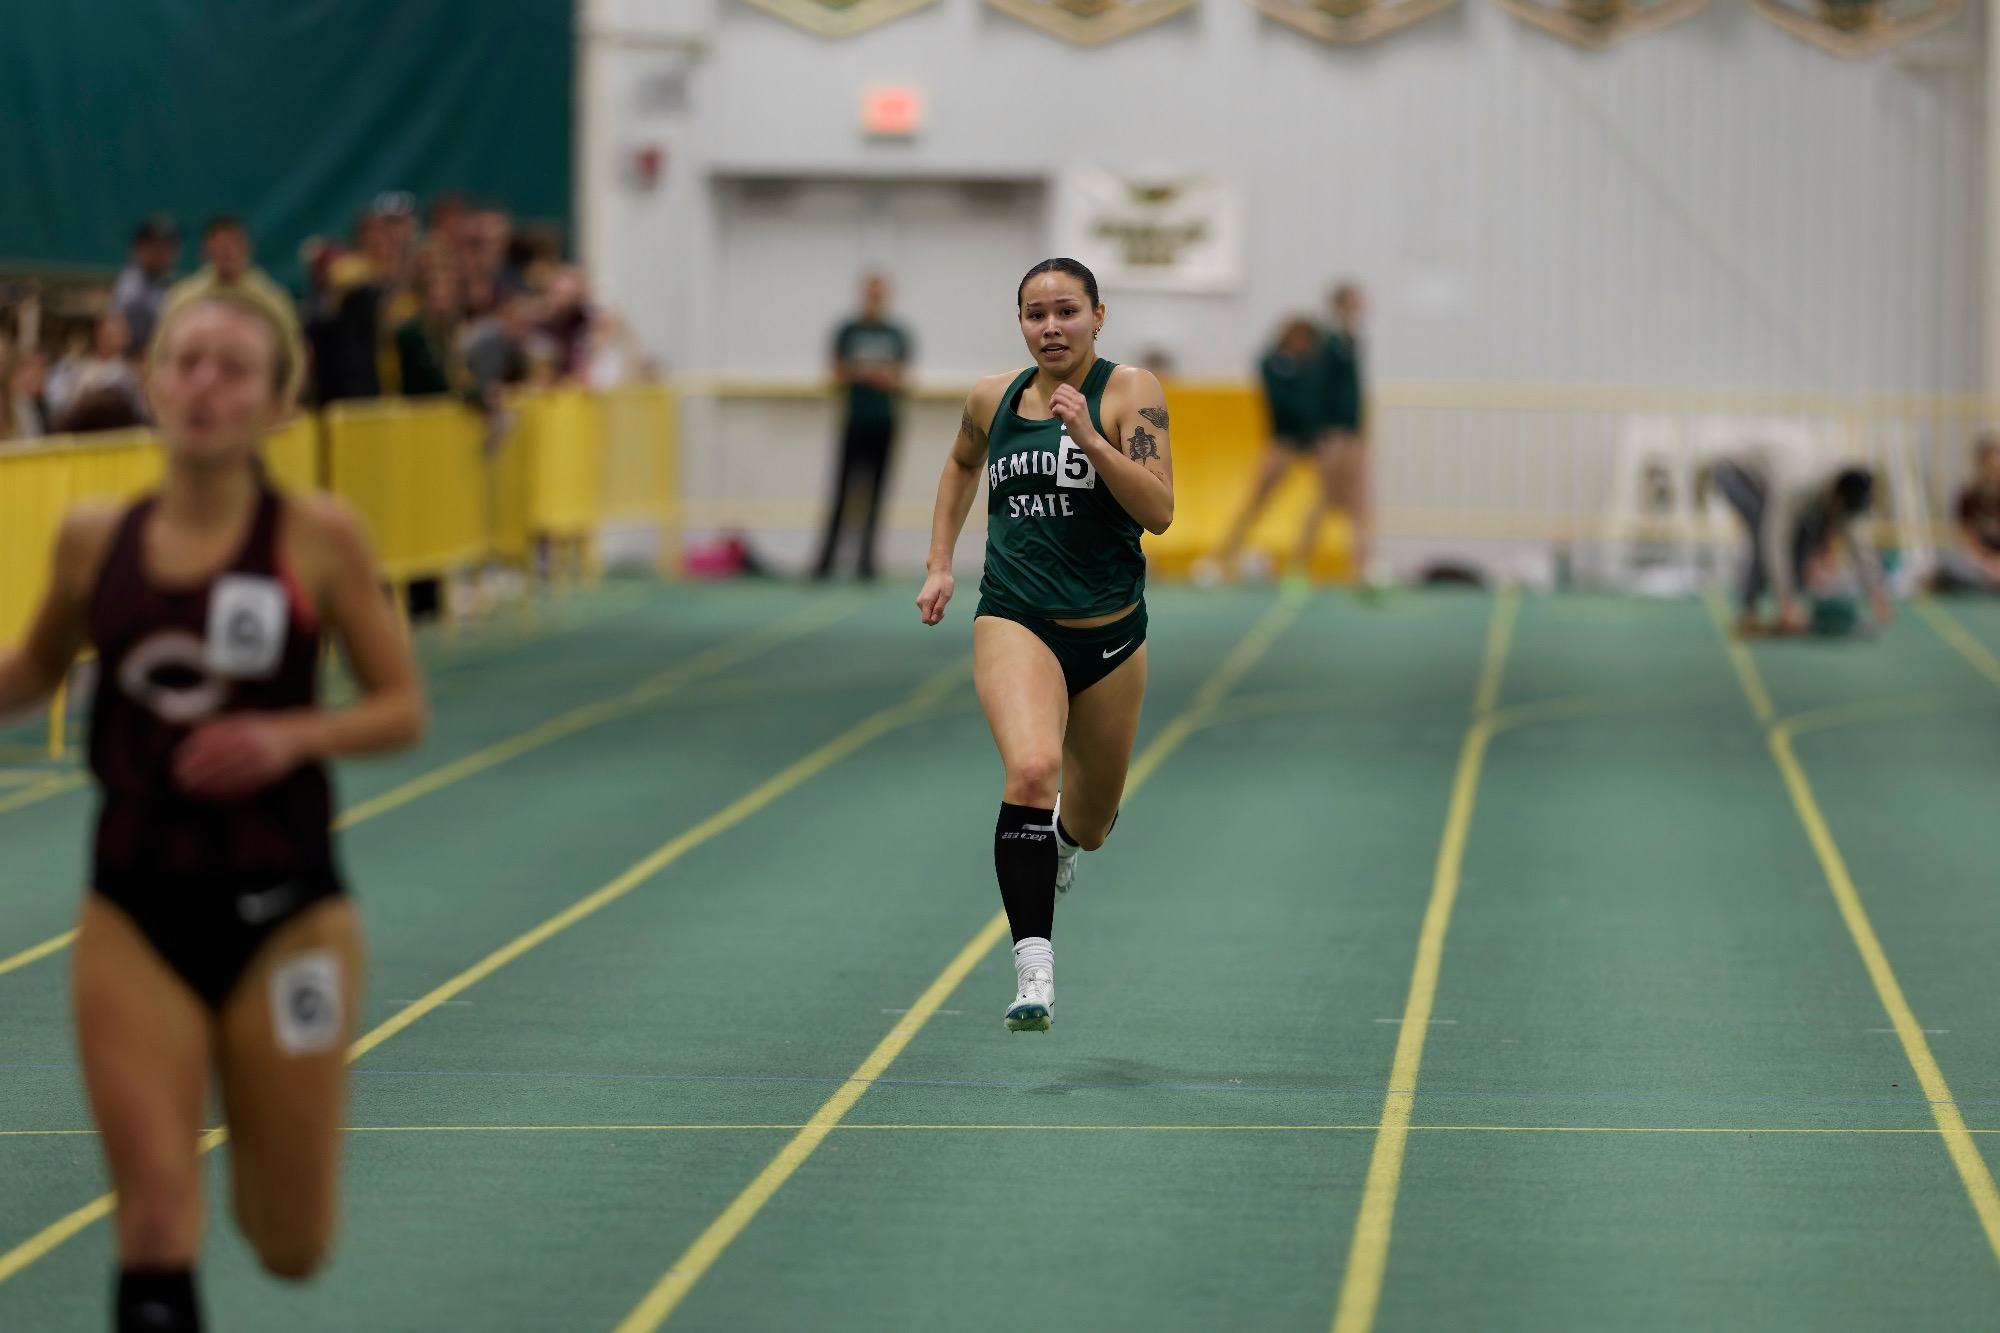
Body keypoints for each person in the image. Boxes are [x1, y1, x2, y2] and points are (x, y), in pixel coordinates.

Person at [0, 287, 425, 1333]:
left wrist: (290, 736)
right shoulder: (93, 538)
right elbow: (30, 671)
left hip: (289, 919)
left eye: (233, 369)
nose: (203, 384)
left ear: (278, 404)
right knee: (151, 1213)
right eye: (186, 360)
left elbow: (399, 706)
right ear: (153, 381)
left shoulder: (318, 536)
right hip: (134, 912)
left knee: (289, 1242)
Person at [916, 258, 1174, 1032]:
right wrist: (938, 565)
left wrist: (1090, 438)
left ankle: (1062, 839)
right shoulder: (990, 398)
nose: (1051, 327)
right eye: (1035, 314)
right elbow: (961, 463)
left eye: (1066, 311)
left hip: (1111, 636)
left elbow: (1158, 510)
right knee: (1032, 768)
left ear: (1100, 316)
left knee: (1092, 823)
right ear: (1020, 323)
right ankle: (1034, 965)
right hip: (1015, 618)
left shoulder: (1132, 393)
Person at [1709, 438, 1891, 634]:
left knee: (1804, 533)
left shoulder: (1844, 491)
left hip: (1771, 477)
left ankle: (1791, 607)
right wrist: (1786, 598)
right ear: (1835, 496)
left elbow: (1857, 539)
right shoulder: (1798, 487)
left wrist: (1876, 591)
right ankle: (1748, 611)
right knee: (1762, 525)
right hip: (1734, 473)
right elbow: (1775, 542)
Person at [1201, 317, 1325, 581]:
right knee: (1256, 501)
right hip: (1283, 442)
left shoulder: (1311, 367)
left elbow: (1315, 402)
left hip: (1311, 442)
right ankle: (1222, 557)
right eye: (1299, 337)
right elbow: (1287, 404)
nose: (1303, 344)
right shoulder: (1274, 363)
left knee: (1322, 500)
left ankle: (1300, 562)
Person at [815, 274, 912, 580]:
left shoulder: (897, 333)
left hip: (885, 423)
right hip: (854, 420)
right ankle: (825, 563)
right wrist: (871, 373)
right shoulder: (848, 330)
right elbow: (837, 371)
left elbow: (899, 378)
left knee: (877, 494)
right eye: (870, 292)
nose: (874, 297)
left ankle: (866, 564)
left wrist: (867, 372)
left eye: (879, 292)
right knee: (841, 492)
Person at [1299, 281, 1378, 592]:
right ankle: (1299, 565)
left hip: (1352, 433)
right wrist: (1320, 435)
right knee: (1325, 499)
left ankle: (1360, 568)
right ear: (1342, 307)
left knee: (1359, 501)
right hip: (1333, 434)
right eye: (1355, 302)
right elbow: (1316, 391)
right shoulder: (1327, 344)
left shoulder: (1353, 341)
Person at [164, 216, 297, 329]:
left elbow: (292, 348)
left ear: (247, 247)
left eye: (232, 242)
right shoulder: (183, 297)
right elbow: (162, 347)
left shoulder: (272, 299)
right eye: (218, 242)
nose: (225, 249)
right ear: (205, 250)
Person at [48, 308, 146, 432]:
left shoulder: (128, 372)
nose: (115, 338)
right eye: (110, 333)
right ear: (99, 333)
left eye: (120, 332)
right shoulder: (76, 367)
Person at [1935, 434, 2000, 592]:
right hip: (1979, 561)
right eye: (1989, 465)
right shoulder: (1968, 495)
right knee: (1947, 559)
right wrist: (1986, 562)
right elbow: (1966, 535)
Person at [111, 215, 182, 351]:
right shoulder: (129, 284)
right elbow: (113, 333)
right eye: (152, 245)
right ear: (138, 248)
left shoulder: (176, 289)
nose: (158, 252)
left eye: (165, 246)